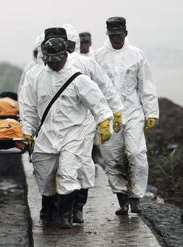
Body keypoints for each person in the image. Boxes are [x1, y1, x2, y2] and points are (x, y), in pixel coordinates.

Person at [19, 35, 113, 229]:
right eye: (49, 60)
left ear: (65, 55)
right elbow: (28, 109)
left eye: (58, 60)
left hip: (73, 135)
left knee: (68, 173)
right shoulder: (35, 77)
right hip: (46, 135)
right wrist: (27, 133)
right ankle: (49, 211)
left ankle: (65, 215)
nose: (54, 65)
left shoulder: (78, 79)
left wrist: (105, 122)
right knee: (45, 177)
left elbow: (98, 102)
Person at [59, 25, 124, 224]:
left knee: (82, 164)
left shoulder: (86, 63)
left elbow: (104, 86)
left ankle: (77, 207)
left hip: (83, 122)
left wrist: (115, 111)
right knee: (58, 166)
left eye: (69, 44)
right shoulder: (49, 66)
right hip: (57, 123)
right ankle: (59, 209)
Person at [96, 17, 159, 215]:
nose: (116, 39)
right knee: (112, 157)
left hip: (133, 112)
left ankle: (136, 197)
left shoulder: (136, 55)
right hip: (108, 115)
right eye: (112, 35)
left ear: (125, 33)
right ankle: (122, 198)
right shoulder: (98, 56)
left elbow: (146, 84)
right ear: (108, 35)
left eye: (119, 35)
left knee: (135, 153)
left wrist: (151, 112)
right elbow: (93, 88)